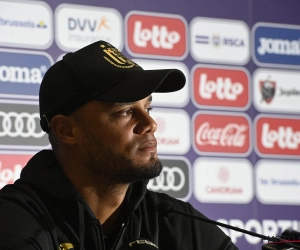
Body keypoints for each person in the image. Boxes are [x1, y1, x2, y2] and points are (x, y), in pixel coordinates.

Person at [0, 41, 238, 250]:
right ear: (66, 130)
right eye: (125, 112)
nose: (150, 124)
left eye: (148, 108)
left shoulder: (172, 218)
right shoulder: (14, 219)